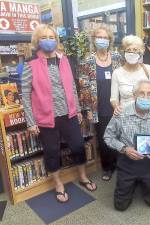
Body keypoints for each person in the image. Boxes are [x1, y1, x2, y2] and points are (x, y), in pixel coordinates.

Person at [21, 24, 97, 203]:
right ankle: (58, 184)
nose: (49, 41)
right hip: (46, 118)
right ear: (37, 41)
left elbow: (71, 86)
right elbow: (25, 94)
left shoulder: (64, 60)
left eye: (51, 37)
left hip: (69, 114)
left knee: (78, 146)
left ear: (56, 40)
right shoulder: (30, 65)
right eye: (44, 37)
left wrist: (77, 109)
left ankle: (83, 176)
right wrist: (31, 122)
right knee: (52, 151)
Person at [104, 80, 150, 211]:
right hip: (127, 163)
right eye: (141, 93)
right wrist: (124, 149)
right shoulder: (121, 113)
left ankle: (142, 182)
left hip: (148, 163)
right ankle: (133, 182)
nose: (146, 97)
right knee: (120, 206)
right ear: (134, 95)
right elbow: (108, 136)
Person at [78, 24, 123, 181]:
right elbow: (83, 87)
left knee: (119, 136)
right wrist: (87, 109)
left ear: (110, 40)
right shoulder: (87, 60)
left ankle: (120, 163)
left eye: (105, 37)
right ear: (94, 39)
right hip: (99, 107)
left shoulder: (118, 57)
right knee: (105, 139)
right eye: (99, 37)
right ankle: (108, 167)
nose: (102, 40)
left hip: (117, 105)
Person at [110, 35, 150, 115]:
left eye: (135, 50)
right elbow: (114, 98)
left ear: (140, 53)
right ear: (124, 52)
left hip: (145, 114)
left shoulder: (148, 69)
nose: (131, 53)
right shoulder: (117, 73)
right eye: (128, 50)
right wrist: (116, 107)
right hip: (124, 116)